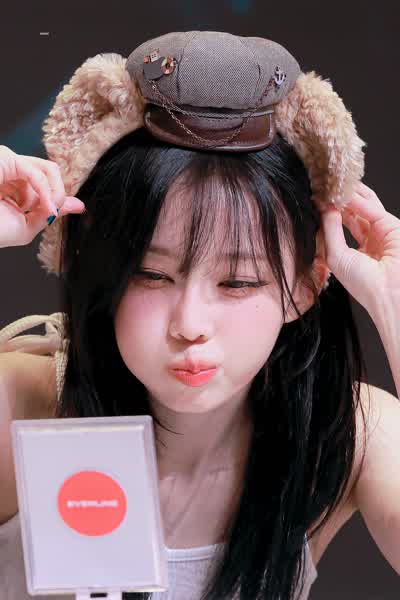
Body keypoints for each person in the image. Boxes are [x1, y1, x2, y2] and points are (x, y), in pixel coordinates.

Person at [1, 30, 400, 600]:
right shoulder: (20, 408)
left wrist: (394, 304)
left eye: (238, 282)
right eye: (151, 275)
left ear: (306, 283)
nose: (190, 323)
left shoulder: (346, 431)